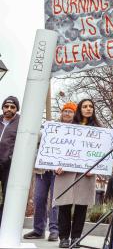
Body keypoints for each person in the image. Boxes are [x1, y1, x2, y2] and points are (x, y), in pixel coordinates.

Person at [24, 102, 77, 242]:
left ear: (74, 114)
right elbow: (37, 140)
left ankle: (54, 230)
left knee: (55, 201)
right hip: (43, 170)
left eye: (70, 111)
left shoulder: (76, 131)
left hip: (60, 172)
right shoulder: (50, 127)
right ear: (61, 113)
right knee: (39, 198)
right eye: (65, 111)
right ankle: (38, 229)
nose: (67, 113)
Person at [53, 99, 99, 248]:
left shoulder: (100, 130)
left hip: (87, 174)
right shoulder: (68, 128)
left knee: (81, 207)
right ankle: (64, 237)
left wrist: (96, 169)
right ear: (79, 109)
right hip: (66, 172)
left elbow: (102, 153)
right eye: (85, 106)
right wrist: (56, 166)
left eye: (91, 106)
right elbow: (58, 148)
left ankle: (76, 238)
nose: (88, 109)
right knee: (64, 205)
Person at [0, 96, 20, 225]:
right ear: (2, 107)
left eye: (12, 107)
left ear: (16, 109)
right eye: (6, 106)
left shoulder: (22, 123)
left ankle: (3, 224)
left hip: (9, 165)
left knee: (7, 196)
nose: (9, 109)